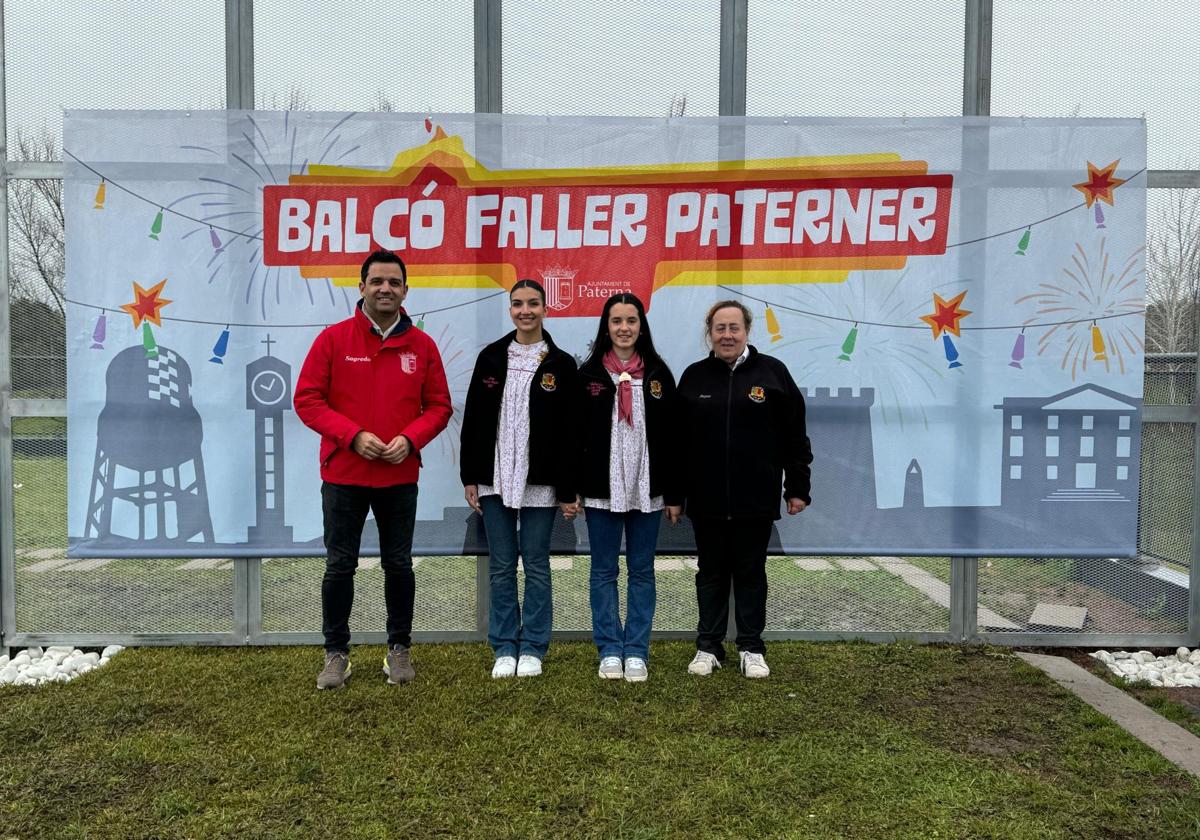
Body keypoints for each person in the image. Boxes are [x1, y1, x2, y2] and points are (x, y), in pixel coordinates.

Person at [295, 250, 452, 690]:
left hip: (398, 478)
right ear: (360, 286)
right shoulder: (333, 340)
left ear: (405, 290)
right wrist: (352, 435)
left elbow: (439, 406)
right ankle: (336, 654)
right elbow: (307, 399)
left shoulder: (422, 346)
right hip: (343, 474)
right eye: (377, 281)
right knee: (339, 565)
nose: (386, 288)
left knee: (399, 564)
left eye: (394, 282)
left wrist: (411, 439)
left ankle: (399, 648)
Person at [676, 300, 811, 679]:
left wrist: (797, 487)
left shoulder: (773, 374)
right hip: (706, 501)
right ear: (710, 332)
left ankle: (751, 647)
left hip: (756, 499)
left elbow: (795, 438)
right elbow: (677, 444)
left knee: (751, 573)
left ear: (747, 331)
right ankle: (709, 647)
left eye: (734, 328)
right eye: (720, 328)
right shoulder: (694, 378)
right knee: (711, 573)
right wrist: (675, 495)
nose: (727, 335)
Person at [460, 279, 580, 679]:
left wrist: (566, 490)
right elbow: (474, 420)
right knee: (501, 564)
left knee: (536, 563)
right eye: (517, 304)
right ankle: (504, 646)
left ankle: (533, 647)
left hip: (539, 482)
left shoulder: (561, 364)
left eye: (532, 303)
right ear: (510, 310)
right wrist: (470, 476)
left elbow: (569, 433)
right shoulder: (492, 357)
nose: (525, 310)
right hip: (494, 477)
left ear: (546, 308)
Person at [577, 293, 680, 682]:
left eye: (631, 321)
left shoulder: (657, 375)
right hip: (602, 490)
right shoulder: (587, 375)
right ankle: (609, 649)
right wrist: (573, 490)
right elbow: (575, 437)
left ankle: (636, 649)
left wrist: (673, 495)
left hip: (646, 489)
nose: (624, 328)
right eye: (616, 321)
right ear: (606, 326)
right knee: (603, 570)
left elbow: (672, 439)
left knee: (642, 570)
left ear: (641, 326)